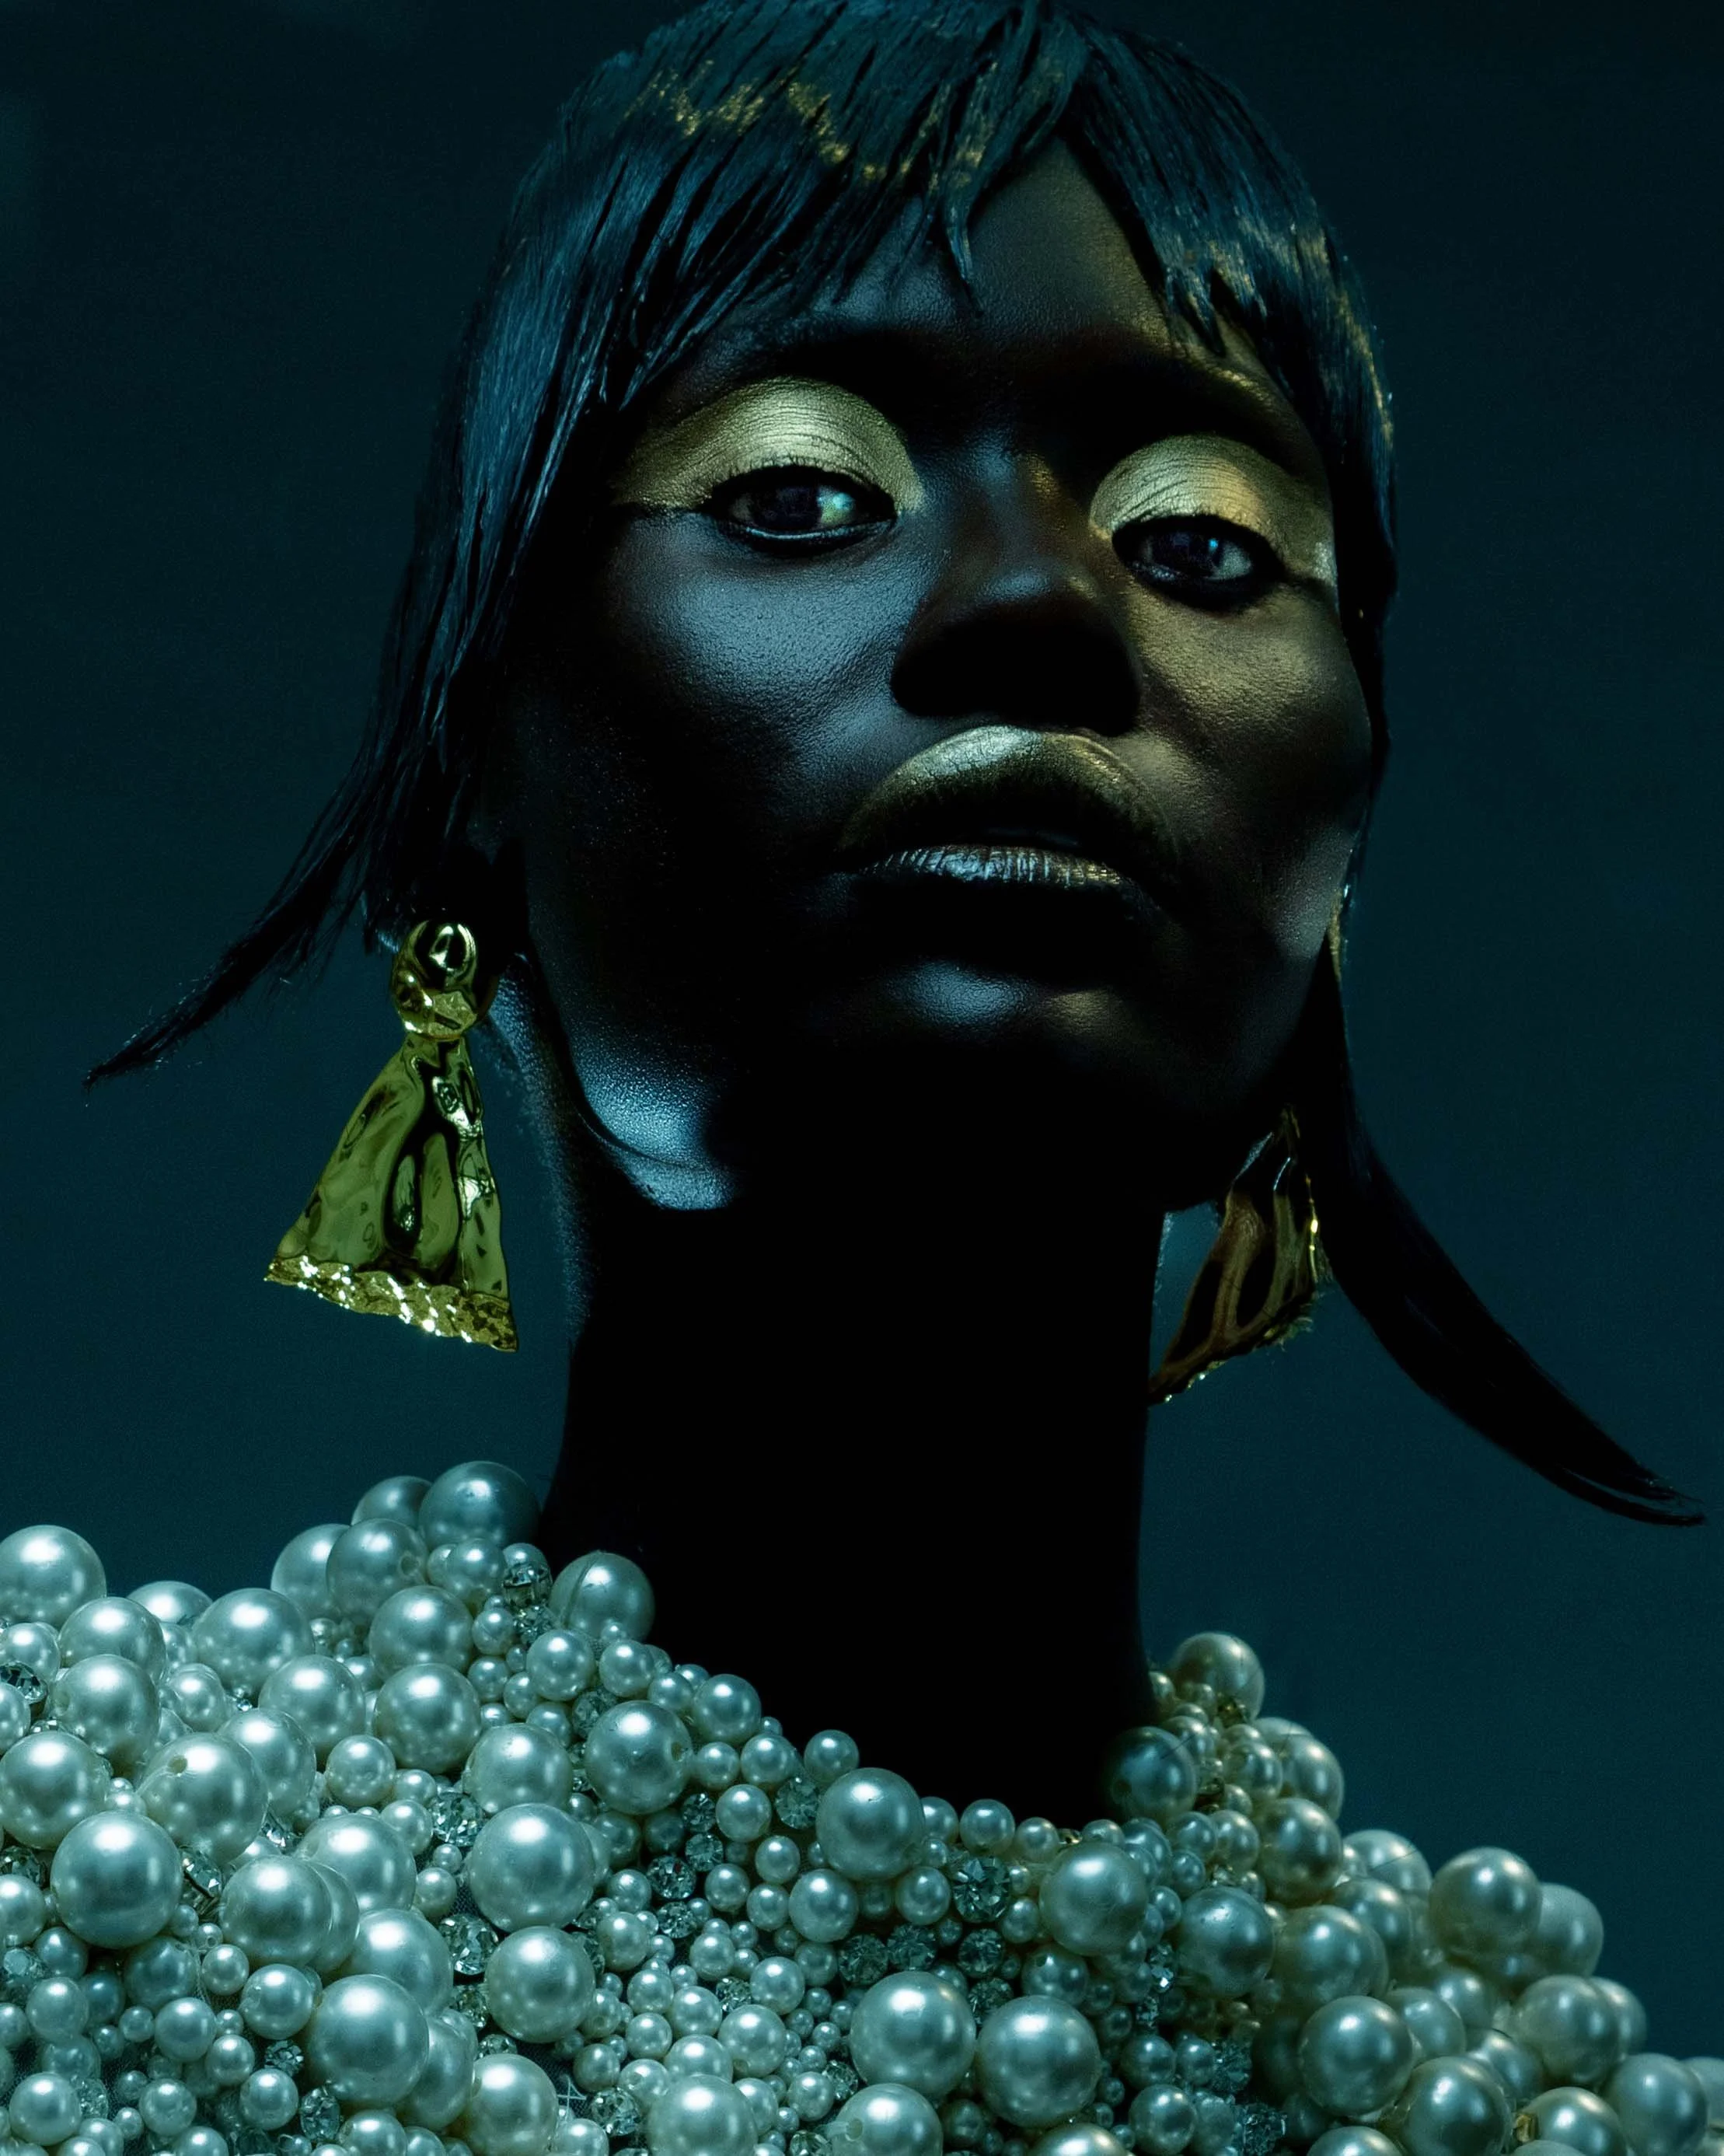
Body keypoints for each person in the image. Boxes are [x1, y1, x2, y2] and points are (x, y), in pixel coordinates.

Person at [26, 2, 1705, 2151]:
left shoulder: (1543, 2106)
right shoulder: (64, 1889)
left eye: (1199, 539)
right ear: (472, 786)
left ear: (1340, 846)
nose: (1033, 605)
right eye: (799, 491)